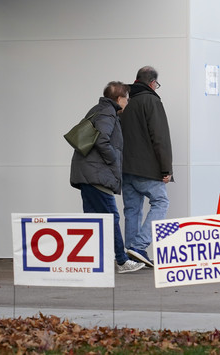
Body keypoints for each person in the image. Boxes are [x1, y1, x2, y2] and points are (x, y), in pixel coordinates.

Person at [70, 81, 145, 273]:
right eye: (126, 99)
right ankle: (122, 261)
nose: (127, 103)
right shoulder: (107, 113)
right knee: (111, 217)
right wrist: (113, 159)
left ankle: (93, 260)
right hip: (96, 174)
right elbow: (102, 139)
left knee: (93, 219)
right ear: (119, 99)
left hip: (87, 173)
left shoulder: (98, 109)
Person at [120, 66, 173, 267]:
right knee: (161, 202)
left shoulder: (126, 102)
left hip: (126, 168)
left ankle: (131, 257)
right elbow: (160, 137)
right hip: (147, 169)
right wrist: (166, 169)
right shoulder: (152, 101)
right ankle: (139, 246)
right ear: (152, 83)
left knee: (132, 210)